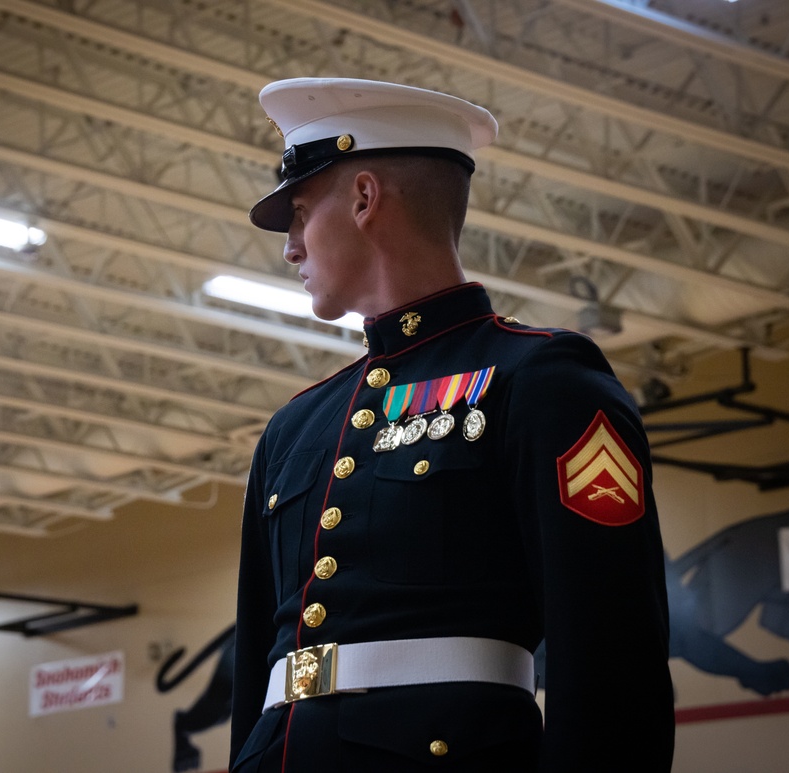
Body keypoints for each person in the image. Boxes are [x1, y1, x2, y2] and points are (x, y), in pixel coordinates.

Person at [229, 77, 675, 772]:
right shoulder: (294, 429)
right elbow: (259, 661)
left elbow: (613, 657)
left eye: (300, 212)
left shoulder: (540, 382)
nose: (290, 247)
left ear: (364, 198)